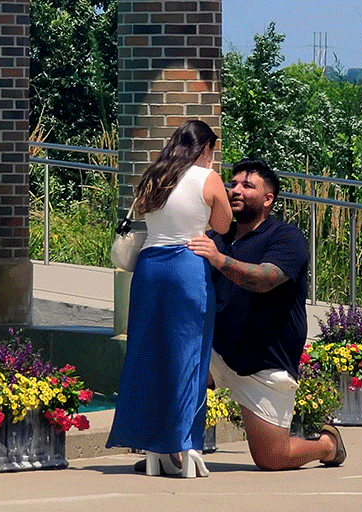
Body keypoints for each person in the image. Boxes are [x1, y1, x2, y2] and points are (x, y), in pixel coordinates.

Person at [187, 158, 346, 470]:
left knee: (272, 458)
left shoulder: (286, 237)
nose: (236, 190)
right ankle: (172, 453)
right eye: (233, 184)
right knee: (178, 366)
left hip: (266, 361)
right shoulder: (219, 236)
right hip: (218, 352)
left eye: (248, 186)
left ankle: (327, 445)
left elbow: (264, 280)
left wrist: (219, 260)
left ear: (268, 198)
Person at [106, 120, 233, 478]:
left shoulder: (154, 175)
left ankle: (150, 443)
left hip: (149, 268)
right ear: (205, 148)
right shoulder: (207, 179)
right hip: (186, 266)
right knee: (188, 357)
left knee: (146, 354)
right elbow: (223, 225)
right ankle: (182, 444)